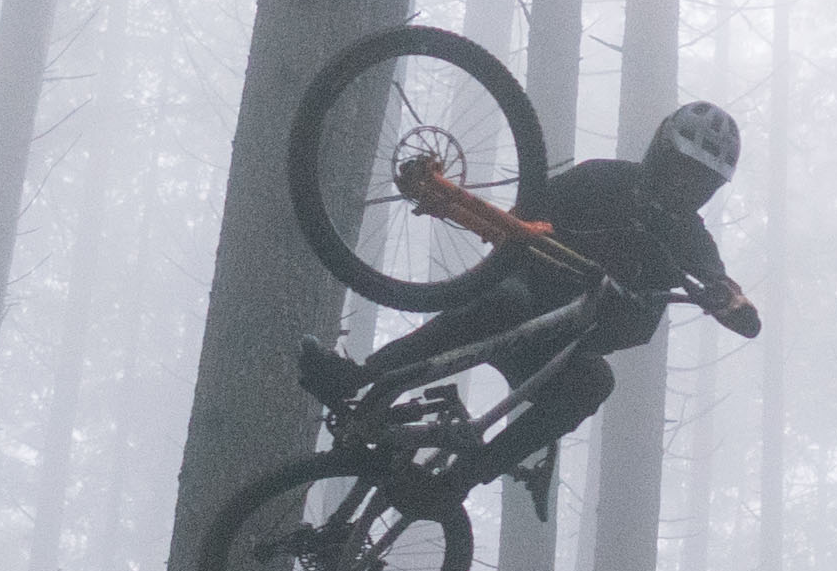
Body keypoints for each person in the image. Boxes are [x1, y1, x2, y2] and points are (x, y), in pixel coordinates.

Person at [303, 97, 758, 506]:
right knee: (503, 302)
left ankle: (457, 483)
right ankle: (356, 378)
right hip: (521, 300)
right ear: (661, 154)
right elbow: (523, 213)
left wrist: (733, 304)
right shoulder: (601, 178)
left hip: (560, 348)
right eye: (680, 170)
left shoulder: (691, 239)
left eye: (698, 182)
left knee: (594, 382)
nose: (683, 186)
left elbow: (722, 284)